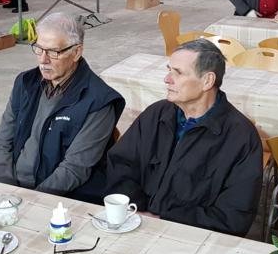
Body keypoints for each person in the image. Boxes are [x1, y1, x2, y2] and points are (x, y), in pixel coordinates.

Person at [106, 39, 263, 236]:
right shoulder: (156, 114)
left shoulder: (241, 137)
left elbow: (233, 216)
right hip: (134, 221)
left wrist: (164, 220)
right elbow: (120, 165)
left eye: (178, 73)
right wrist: (135, 210)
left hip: (190, 237)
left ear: (207, 81)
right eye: (169, 70)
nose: (167, 79)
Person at [0, 12, 124, 201]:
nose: (43, 60)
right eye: (39, 49)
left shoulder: (99, 101)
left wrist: (32, 201)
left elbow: (75, 168)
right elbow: (3, 141)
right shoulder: (25, 83)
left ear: (76, 52)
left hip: (60, 196)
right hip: (11, 186)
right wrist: (7, 188)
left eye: (54, 52)